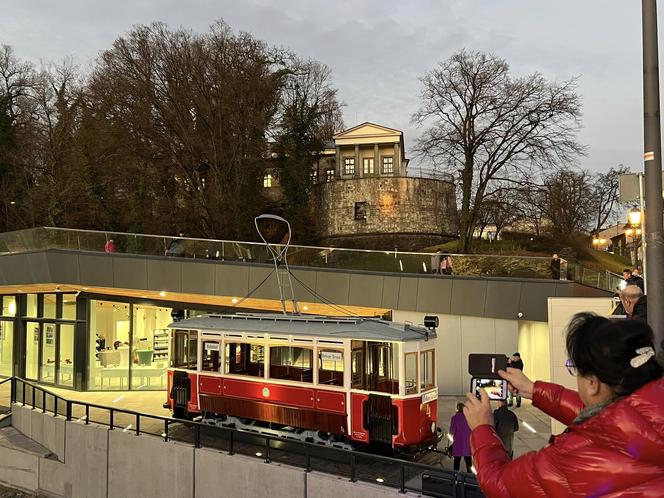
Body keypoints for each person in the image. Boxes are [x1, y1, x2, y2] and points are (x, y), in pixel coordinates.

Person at [463, 313, 664, 497]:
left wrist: (482, 428)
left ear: (593, 384)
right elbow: (617, 423)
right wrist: (534, 389)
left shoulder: (573, 459)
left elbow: (499, 484)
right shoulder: (651, 411)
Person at [449, 402, 473, 472]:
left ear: (457, 409)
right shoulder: (469, 418)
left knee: (456, 462)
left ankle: (455, 478)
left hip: (458, 443)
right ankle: (469, 478)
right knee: (469, 463)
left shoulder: (455, 418)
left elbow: (452, 431)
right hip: (467, 443)